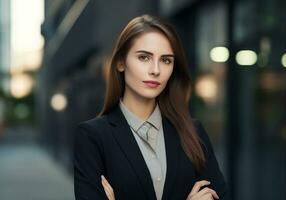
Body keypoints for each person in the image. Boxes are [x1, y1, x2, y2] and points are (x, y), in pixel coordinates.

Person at [73, 14, 229, 200]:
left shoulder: (193, 133)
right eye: (144, 57)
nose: (156, 70)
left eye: (166, 60)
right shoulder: (93, 137)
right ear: (121, 62)